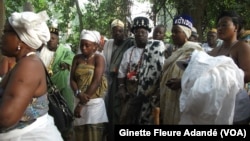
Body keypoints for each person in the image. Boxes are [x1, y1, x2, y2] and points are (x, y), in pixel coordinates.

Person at [0, 10, 63, 141]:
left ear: (21, 40)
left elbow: (6, 117)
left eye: (6, 32)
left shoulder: (29, 65)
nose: (2, 36)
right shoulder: (23, 63)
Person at [117, 16, 165, 125]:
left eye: (143, 31)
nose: (140, 34)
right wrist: (121, 88)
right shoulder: (129, 52)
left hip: (149, 97)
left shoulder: (156, 50)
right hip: (131, 96)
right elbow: (121, 73)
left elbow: (160, 73)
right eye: (137, 32)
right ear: (133, 34)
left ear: (148, 33)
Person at [160, 14, 204, 124]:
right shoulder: (177, 51)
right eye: (172, 32)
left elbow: (201, 78)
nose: (173, 35)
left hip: (183, 100)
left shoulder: (195, 52)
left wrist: (181, 82)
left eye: (176, 32)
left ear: (186, 33)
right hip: (170, 100)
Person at [209, 10, 250, 124]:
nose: (220, 28)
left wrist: (224, 75)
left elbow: (248, 74)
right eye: (218, 26)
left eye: (224, 24)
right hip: (216, 105)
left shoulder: (242, 47)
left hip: (236, 106)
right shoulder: (215, 51)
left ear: (235, 27)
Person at [70, 29, 108, 141]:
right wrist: (78, 93)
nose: (83, 48)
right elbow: (72, 79)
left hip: (94, 104)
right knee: (80, 134)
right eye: (82, 45)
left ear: (95, 46)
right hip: (79, 99)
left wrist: (81, 104)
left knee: (93, 135)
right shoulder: (77, 58)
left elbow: (96, 81)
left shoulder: (99, 59)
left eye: (87, 45)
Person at [39, 24, 75, 140]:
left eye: (53, 38)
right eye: (48, 38)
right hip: (45, 88)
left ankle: (67, 132)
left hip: (61, 89)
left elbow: (72, 58)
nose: (50, 41)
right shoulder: (41, 51)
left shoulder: (64, 50)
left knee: (65, 112)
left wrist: (65, 63)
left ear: (58, 39)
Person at [102, 19, 134, 141]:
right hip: (111, 82)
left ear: (124, 32)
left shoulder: (129, 43)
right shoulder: (108, 44)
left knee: (122, 110)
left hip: (124, 82)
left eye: (120, 31)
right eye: (115, 32)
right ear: (112, 33)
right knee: (111, 109)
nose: (117, 34)